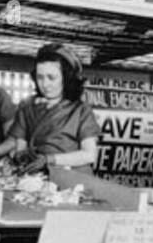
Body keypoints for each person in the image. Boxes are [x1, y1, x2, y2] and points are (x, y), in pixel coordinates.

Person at [8, 43, 100, 173]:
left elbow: (89, 154)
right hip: (37, 180)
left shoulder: (81, 111)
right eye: (40, 77)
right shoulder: (27, 106)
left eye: (52, 78)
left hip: (73, 180)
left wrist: (49, 159)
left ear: (66, 78)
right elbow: (20, 148)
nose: (45, 84)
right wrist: (21, 156)